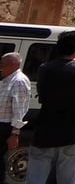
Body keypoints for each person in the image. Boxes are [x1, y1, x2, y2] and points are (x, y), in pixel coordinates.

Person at [26, 30, 75, 184]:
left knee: (35, 178)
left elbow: (42, 98)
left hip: (44, 132)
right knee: (68, 179)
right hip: (73, 134)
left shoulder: (45, 68)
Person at [0, 52, 31, 184]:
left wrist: (14, 133)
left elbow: (20, 110)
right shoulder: (7, 79)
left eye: (2, 65)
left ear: (13, 65)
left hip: (5, 127)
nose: (0, 68)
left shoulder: (19, 81)